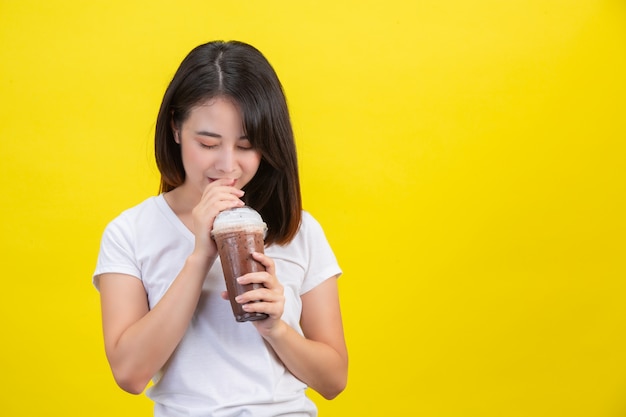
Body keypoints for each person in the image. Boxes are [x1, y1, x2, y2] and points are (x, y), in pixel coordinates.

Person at [93, 40, 348, 416]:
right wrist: (200, 257)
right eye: (208, 143)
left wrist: (276, 327)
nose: (228, 166)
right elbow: (130, 374)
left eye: (247, 146)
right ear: (176, 129)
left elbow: (333, 381)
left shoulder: (298, 230)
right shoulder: (130, 231)